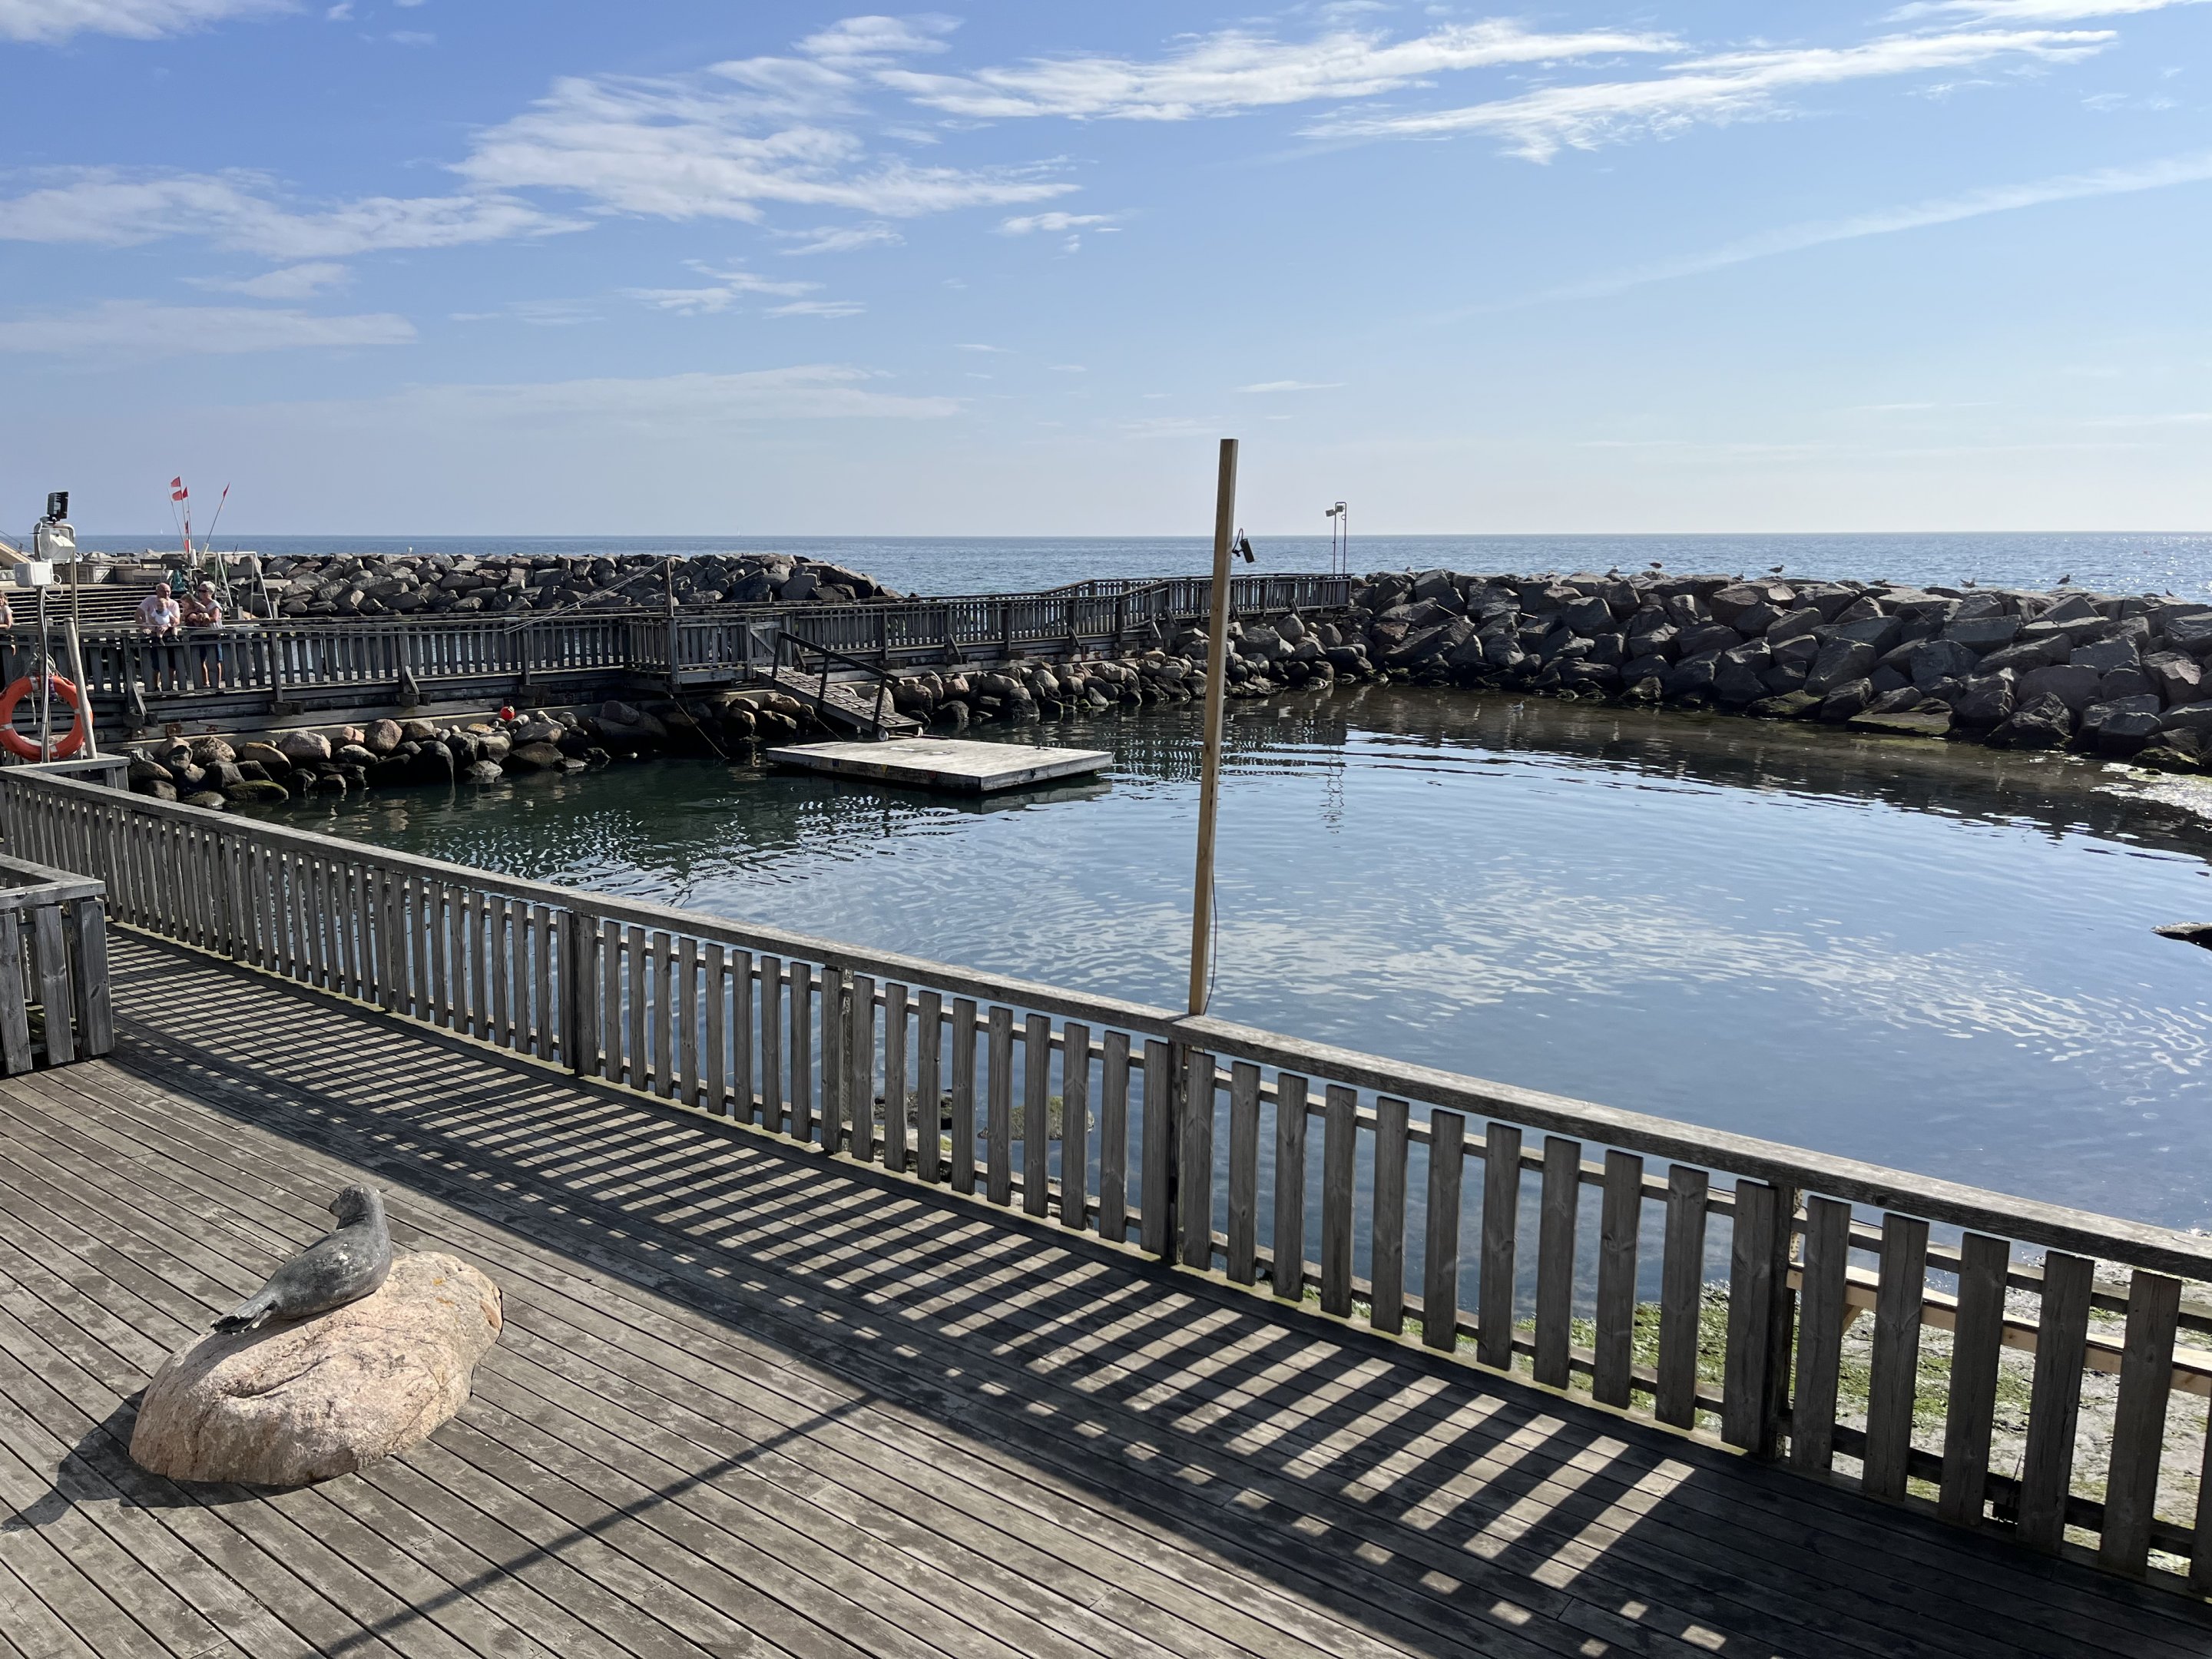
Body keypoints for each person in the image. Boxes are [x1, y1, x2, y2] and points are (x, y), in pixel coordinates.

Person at [183, 580, 225, 687]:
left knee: (215, 660)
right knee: (201, 659)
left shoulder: (214, 604)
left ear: (210, 592)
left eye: (203, 591)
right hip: (200, 634)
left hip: (213, 634)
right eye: (199, 591)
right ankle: (205, 682)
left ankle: (216, 684)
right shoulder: (199, 605)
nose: (200, 593)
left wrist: (202, 618)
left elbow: (215, 618)